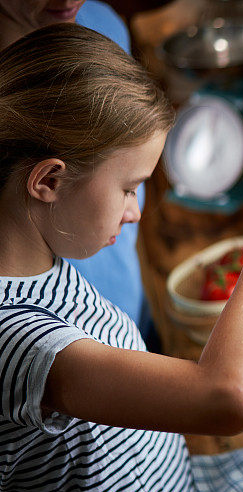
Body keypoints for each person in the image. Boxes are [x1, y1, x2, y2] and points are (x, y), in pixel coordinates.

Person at [0, 24, 243, 492]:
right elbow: (233, 396)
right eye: (128, 188)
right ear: (48, 181)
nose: (135, 212)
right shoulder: (18, 341)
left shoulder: (40, 261)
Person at [0, 0, 160, 347]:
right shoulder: (30, 336)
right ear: (47, 181)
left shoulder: (104, 26)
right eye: (128, 191)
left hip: (126, 323)